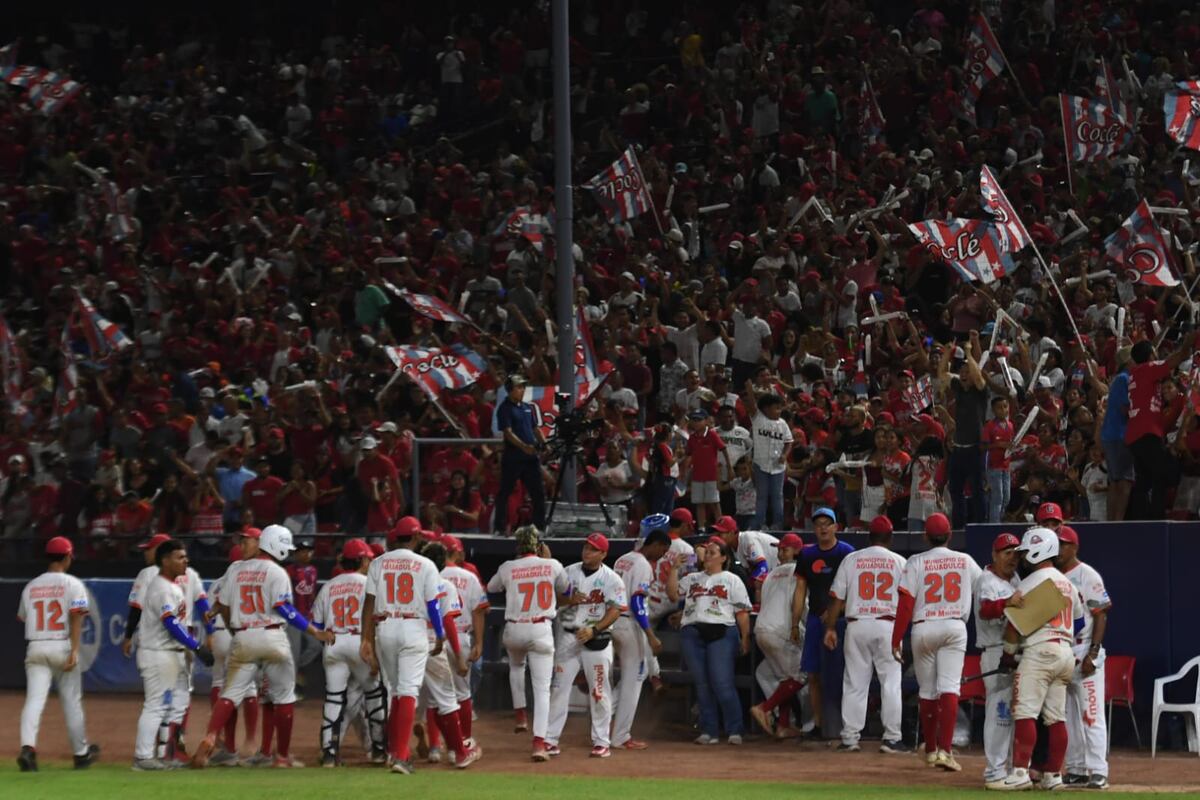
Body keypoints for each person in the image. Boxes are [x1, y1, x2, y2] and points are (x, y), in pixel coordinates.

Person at [192, 525, 334, 769]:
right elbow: (285, 609)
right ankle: (281, 757)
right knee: (283, 697)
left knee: (230, 694)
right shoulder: (277, 573)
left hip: (243, 636)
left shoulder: (235, 570)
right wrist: (313, 631)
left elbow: (222, 606)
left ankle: (211, 735)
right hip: (272, 637)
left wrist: (233, 628)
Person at [361, 521, 479, 774]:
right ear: (415, 538)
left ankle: (396, 753)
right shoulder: (427, 569)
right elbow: (436, 608)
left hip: (385, 627)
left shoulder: (378, 562)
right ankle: (452, 752)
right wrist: (439, 636)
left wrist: (366, 638)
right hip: (416, 632)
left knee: (395, 693)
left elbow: (369, 603)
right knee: (430, 696)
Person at [987, 528, 1085, 791]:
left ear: (1037, 550)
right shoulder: (1067, 582)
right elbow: (1080, 620)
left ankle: (1019, 773)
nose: (1022, 558)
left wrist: (1007, 656)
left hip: (1040, 652)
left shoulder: (1029, 582)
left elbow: (1013, 626)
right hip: (1065, 651)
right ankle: (1053, 776)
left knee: (1025, 713)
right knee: (1056, 718)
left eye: (1026, 552)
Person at [891, 512, 982, 772]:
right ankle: (945, 751)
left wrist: (896, 638)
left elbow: (906, 603)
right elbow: (983, 588)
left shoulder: (916, 561)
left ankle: (930, 750)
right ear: (950, 534)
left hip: (923, 627)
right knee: (950, 689)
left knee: (928, 691)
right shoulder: (964, 560)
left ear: (925, 536)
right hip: (954, 625)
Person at [122, 532, 213, 762]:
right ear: (166, 560)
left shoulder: (169, 582)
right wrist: (198, 645)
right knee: (155, 706)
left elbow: (197, 607)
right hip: (159, 651)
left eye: (185, 557)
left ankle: (167, 753)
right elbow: (170, 622)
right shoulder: (162, 586)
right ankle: (143, 758)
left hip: (173, 650)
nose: (185, 561)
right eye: (180, 557)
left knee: (178, 704)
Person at [825, 516, 909, 753]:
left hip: (857, 624)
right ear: (890, 537)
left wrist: (830, 627)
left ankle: (850, 738)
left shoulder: (852, 559)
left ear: (869, 536)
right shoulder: (899, 561)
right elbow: (906, 601)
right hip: (887, 625)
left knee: (855, 683)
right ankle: (892, 738)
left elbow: (836, 598)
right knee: (891, 683)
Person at [17, 537, 99, 772]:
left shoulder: (31, 586)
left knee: (34, 700)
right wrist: (74, 649)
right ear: (66, 557)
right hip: (62, 646)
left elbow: (24, 616)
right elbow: (77, 617)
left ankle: (28, 749)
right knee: (72, 703)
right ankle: (81, 754)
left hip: (36, 646)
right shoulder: (73, 584)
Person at [486, 525, 566, 761]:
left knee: (516, 667)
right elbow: (566, 589)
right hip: (540, 628)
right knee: (542, 690)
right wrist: (547, 562)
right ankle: (539, 744)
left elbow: (491, 588)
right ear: (539, 545)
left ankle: (520, 714)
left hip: (514, 627)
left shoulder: (508, 567)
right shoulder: (552, 565)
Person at [545, 533, 627, 758]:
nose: (587, 552)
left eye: (593, 549)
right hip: (568, 637)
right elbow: (552, 598)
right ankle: (550, 739)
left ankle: (601, 741)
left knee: (600, 691)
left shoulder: (612, 579)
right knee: (559, 689)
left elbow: (616, 609)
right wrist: (568, 599)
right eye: (586, 547)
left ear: (603, 554)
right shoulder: (568, 572)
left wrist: (595, 629)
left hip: (595, 639)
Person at [311, 538, 387, 767]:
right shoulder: (369, 584)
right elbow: (378, 619)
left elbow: (316, 621)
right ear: (362, 559)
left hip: (334, 642)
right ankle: (379, 750)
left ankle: (329, 753)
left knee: (334, 698)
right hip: (360, 641)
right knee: (373, 695)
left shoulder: (329, 585)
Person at [679, 539, 752, 745]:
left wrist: (745, 637)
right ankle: (708, 730)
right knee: (702, 684)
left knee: (722, 682)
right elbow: (672, 593)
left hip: (722, 629)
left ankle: (735, 729)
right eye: (707, 552)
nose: (708, 555)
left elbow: (742, 612)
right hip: (692, 630)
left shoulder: (732, 579)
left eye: (713, 552)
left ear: (724, 557)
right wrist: (675, 569)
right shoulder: (692, 578)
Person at [791, 507, 855, 738]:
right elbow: (800, 591)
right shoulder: (807, 555)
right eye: (818, 524)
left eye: (828, 523)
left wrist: (841, 610)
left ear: (836, 526)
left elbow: (854, 588)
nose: (823, 528)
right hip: (816, 620)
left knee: (844, 674)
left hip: (841, 621)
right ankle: (819, 725)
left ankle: (848, 725)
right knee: (813, 674)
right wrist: (794, 623)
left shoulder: (846, 552)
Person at [413, 541, 478, 769]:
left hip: (410, 643)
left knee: (406, 698)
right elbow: (448, 621)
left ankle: (397, 751)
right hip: (434, 643)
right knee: (446, 700)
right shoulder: (444, 585)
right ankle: (457, 752)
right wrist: (459, 655)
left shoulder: (413, 584)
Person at [1057, 527, 1112, 790]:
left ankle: (1099, 771)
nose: (1058, 548)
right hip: (1062, 652)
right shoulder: (1052, 575)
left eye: (1063, 544)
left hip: (1084, 651)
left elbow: (1101, 613)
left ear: (1074, 547)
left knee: (1091, 714)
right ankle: (1077, 768)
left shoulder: (1086, 574)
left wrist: (1093, 652)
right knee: (1068, 716)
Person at [611, 528, 674, 750]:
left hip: (612, 621)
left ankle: (600, 730)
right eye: (663, 549)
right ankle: (620, 736)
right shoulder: (643, 565)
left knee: (628, 678)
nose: (662, 555)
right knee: (634, 679)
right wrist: (650, 635)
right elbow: (638, 603)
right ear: (654, 544)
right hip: (629, 623)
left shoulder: (622, 559)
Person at [1125, 334, 1197, 519]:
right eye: (1155, 352)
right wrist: (1190, 340)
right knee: (1163, 474)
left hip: (1134, 435)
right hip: (1148, 433)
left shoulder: (1135, 373)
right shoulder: (1149, 368)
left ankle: (1140, 521)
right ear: (1150, 355)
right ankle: (1156, 518)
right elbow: (1180, 356)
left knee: (1144, 480)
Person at [204, 541, 260, 766]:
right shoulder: (247, 579)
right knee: (248, 688)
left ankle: (226, 743)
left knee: (219, 684)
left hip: (217, 635)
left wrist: (208, 635)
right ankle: (250, 741)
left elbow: (207, 611)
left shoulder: (216, 583)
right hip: (238, 633)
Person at [974, 532, 1023, 785]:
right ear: (994, 554)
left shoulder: (1014, 577)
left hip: (1012, 649)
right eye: (1007, 553)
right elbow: (985, 611)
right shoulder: (986, 579)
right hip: (995, 651)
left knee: (1014, 713)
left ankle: (1009, 768)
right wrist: (1007, 601)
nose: (1012, 558)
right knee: (1000, 712)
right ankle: (994, 769)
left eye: (1016, 553)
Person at [748, 532, 806, 739]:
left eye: (785, 548)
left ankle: (783, 726)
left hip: (761, 629)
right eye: (780, 549)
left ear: (796, 551)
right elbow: (801, 604)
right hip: (781, 630)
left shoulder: (771, 574)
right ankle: (765, 708)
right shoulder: (799, 571)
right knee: (801, 675)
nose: (780, 552)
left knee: (785, 678)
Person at [440, 535, 488, 750]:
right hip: (460, 636)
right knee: (462, 693)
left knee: (438, 694)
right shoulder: (468, 576)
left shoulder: (432, 575)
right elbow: (479, 611)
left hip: (435, 639)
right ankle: (465, 740)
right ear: (455, 552)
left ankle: (437, 745)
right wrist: (479, 642)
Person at [494, 376, 546, 533]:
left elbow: (535, 428)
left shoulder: (527, 407)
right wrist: (524, 447)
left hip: (530, 458)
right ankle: (500, 528)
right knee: (505, 491)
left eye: (523, 387)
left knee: (538, 492)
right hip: (513, 457)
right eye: (518, 387)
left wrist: (544, 443)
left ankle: (539, 527)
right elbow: (508, 433)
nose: (522, 390)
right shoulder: (505, 408)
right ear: (510, 390)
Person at [745, 388, 793, 530]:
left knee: (777, 496)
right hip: (760, 465)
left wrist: (785, 455)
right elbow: (752, 404)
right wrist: (749, 387)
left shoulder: (783, 424)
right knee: (762, 496)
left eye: (780, 408)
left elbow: (789, 442)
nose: (779, 411)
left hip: (777, 467)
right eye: (776, 408)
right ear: (766, 409)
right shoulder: (758, 419)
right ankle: (760, 524)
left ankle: (777, 524)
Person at [1099, 350, 1134, 520]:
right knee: (1124, 481)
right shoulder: (1124, 379)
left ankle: (1112, 522)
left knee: (1115, 481)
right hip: (1120, 434)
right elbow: (1125, 408)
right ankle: (1117, 522)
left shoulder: (1119, 379)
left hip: (1111, 434)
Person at [684, 409, 732, 529]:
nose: (696, 423)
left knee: (714, 502)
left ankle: (722, 526)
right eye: (694, 420)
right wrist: (683, 472)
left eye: (699, 420)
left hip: (711, 475)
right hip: (697, 475)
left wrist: (729, 467)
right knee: (699, 503)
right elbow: (688, 455)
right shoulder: (692, 438)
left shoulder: (712, 434)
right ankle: (701, 528)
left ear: (705, 421)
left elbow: (723, 449)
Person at [286, 539, 320, 695]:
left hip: (306, 617)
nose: (307, 553)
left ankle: (296, 668)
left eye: (309, 551)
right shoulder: (289, 571)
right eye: (303, 550)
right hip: (293, 617)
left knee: (316, 646)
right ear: (296, 553)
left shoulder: (313, 570)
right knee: (294, 651)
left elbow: (311, 593)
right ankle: (290, 690)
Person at [711, 514, 777, 594]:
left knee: (755, 584)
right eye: (717, 533)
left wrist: (750, 584)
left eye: (721, 533)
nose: (718, 536)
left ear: (731, 533)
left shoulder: (747, 539)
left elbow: (762, 567)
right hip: (772, 571)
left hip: (782, 566)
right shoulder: (731, 547)